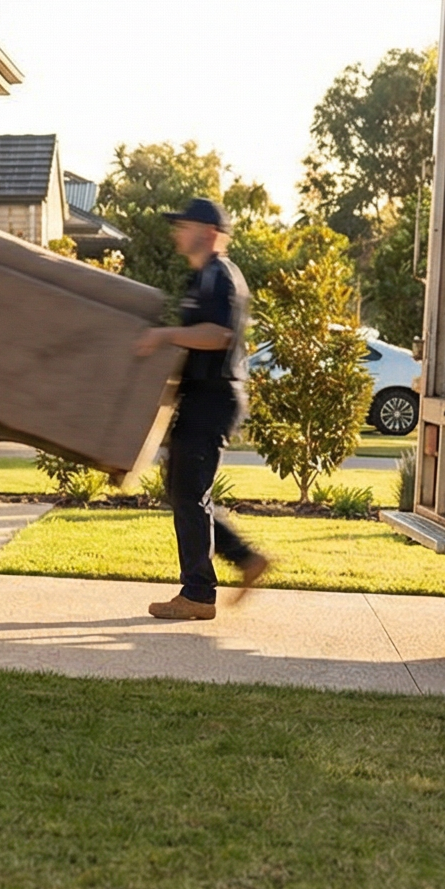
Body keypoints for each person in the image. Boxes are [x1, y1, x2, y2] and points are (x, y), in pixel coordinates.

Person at [131, 197, 272, 620]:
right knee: (183, 492)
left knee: (189, 494)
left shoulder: (219, 276)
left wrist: (164, 336)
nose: (177, 232)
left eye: (184, 225)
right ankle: (244, 561)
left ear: (208, 233)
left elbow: (218, 335)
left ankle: (198, 594)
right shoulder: (204, 278)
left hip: (214, 398)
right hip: (202, 398)